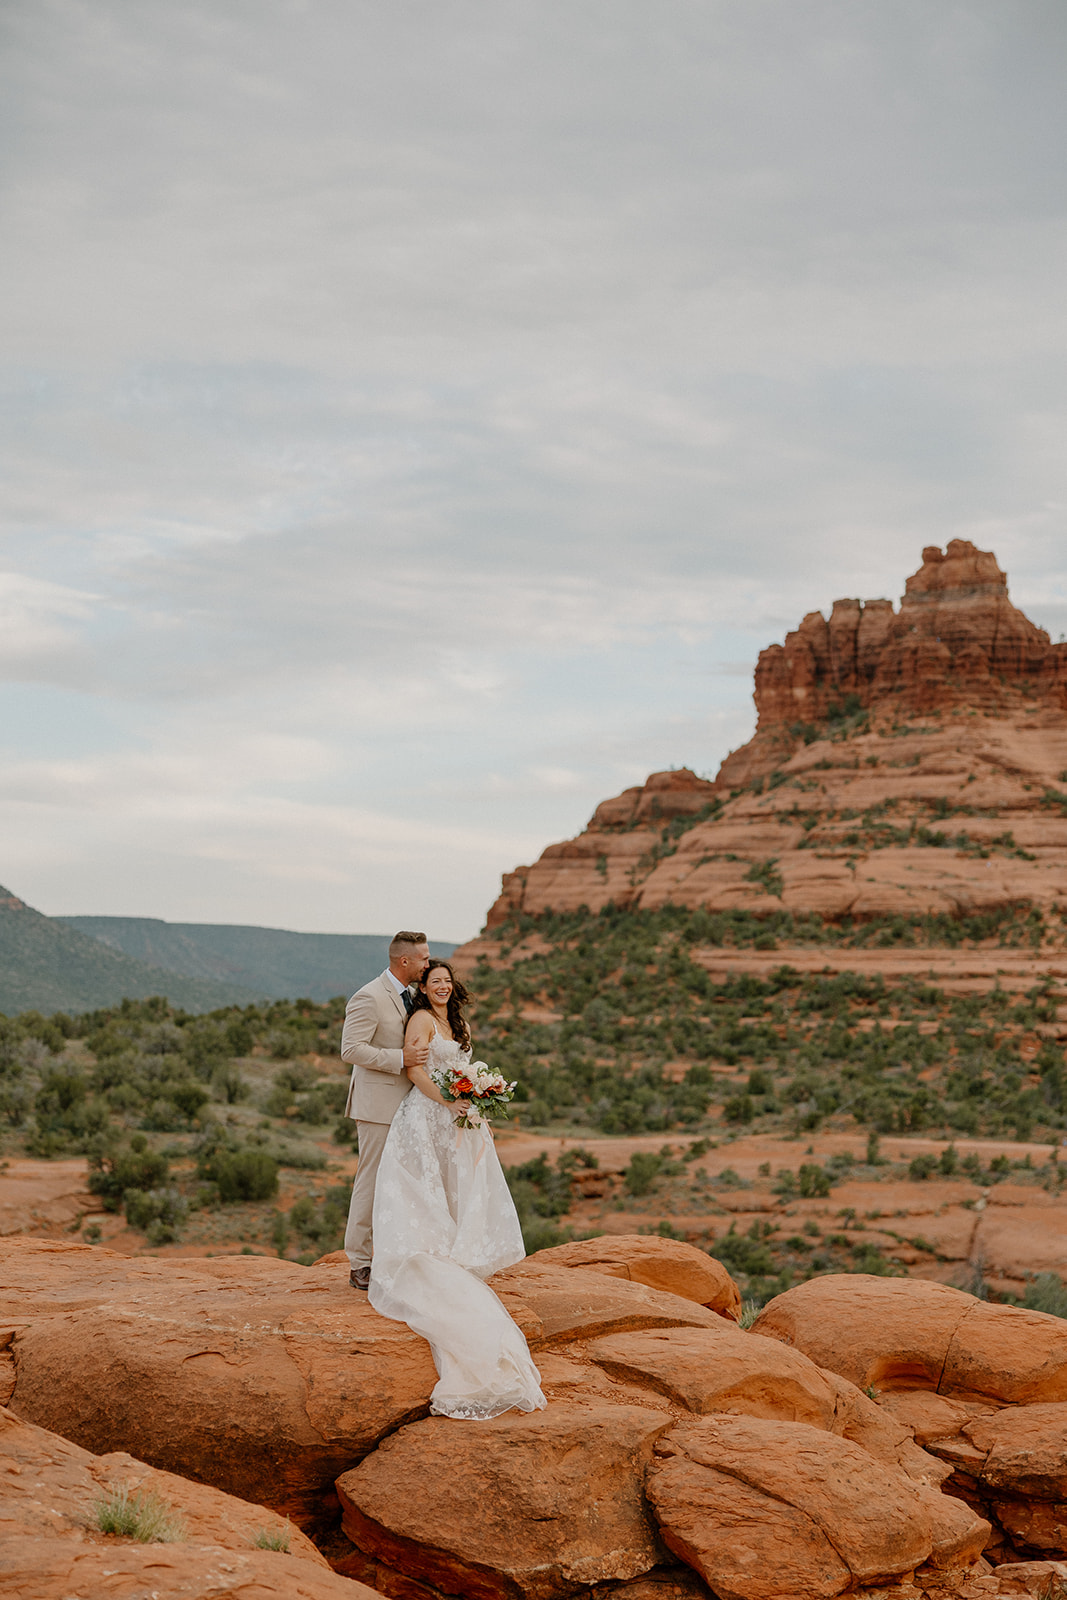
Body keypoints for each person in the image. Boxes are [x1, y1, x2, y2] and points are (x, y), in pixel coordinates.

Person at [368, 958, 546, 1420]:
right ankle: (436, 1250)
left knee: (458, 1183)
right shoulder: (423, 1020)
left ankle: (455, 1243)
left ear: (453, 987)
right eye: (435, 982)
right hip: (427, 1116)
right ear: (423, 988)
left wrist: (473, 1099)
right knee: (428, 1185)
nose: (442, 987)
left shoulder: (455, 1020)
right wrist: (448, 1101)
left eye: (448, 982)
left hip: (456, 1117)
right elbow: (415, 1072)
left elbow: (457, 1068)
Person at [341, 931, 431, 1290]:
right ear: (404, 961)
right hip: (378, 1106)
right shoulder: (369, 997)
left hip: (412, 1106)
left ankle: (398, 1255)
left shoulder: (413, 996)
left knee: (404, 1183)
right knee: (371, 1181)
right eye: (423, 958)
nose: (428, 963)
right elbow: (351, 1049)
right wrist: (400, 1059)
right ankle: (360, 1263)